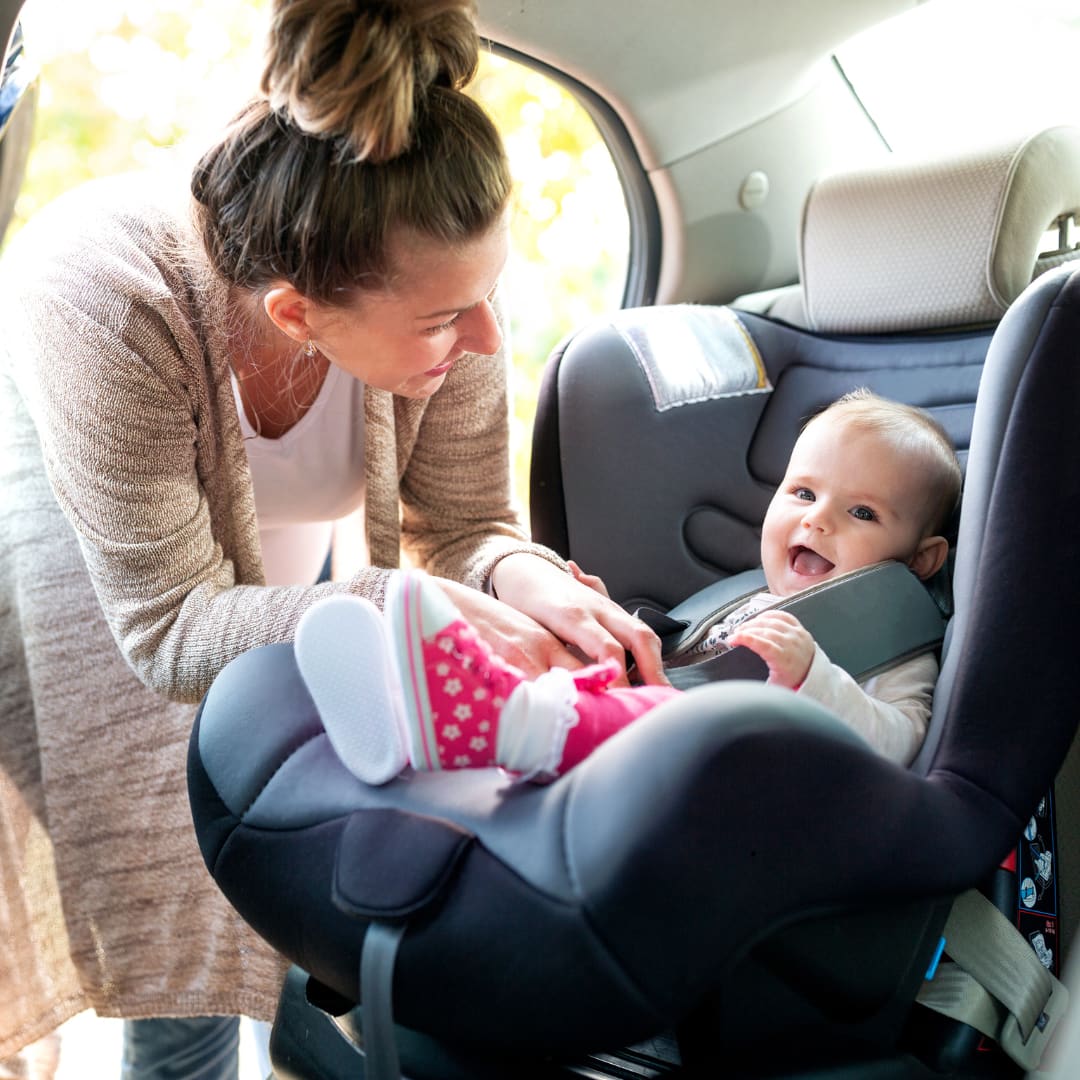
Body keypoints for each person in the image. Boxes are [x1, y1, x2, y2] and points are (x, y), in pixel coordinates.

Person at [0, 1, 666, 1075]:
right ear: (295, 317)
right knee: (183, 958)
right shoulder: (102, 297)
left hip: (277, 581)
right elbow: (170, 633)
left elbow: (462, 523)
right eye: (451, 320)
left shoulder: (439, 281)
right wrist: (401, 613)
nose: (489, 339)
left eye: (486, 298)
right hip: (89, 598)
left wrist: (519, 573)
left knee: (289, 896)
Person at [296, 389, 962, 784]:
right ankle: (404, 707)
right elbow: (691, 670)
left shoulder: (891, 636)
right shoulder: (754, 598)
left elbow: (901, 744)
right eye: (804, 492)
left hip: (732, 777)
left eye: (862, 513)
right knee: (572, 655)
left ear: (923, 559)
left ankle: (497, 721)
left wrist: (815, 677)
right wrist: (606, 617)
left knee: (605, 707)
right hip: (675, 726)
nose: (817, 518)